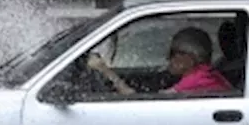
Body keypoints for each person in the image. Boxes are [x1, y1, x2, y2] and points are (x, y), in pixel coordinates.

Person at [87, 27, 232, 95]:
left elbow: (141, 102)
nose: (167, 58)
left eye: (173, 53)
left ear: (190, 58)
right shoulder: (205, 72)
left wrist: (105, 71)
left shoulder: (196, 80)